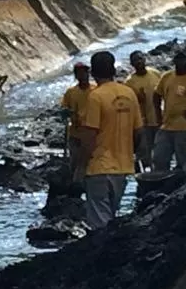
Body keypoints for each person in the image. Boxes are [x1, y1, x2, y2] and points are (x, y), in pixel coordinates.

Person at [73, 51, 142, 229]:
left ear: (93, 73)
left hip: (99, 168)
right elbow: (139, 132)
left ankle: (101, 255)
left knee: (100, 225)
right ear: (113, 70)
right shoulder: (129, 93)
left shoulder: (95, 96)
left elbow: (89, 136)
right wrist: (130, 153)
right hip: (122, 168)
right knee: (111, 218)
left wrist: (80, 167)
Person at [122, 51, 161, 172]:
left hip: (159, 117)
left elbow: (162, 93)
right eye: (135, 60)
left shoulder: (155, 74)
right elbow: (128, 105)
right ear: (131, 64)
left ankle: (160, 172)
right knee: (145, 151)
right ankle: (146, 174)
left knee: (161, 149)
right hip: (142, 122)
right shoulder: (129, 82)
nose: (138, 62)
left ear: (145, 59)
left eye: (140, 59)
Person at [60, 61, 93, 179]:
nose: (82, 75)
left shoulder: (96, 90)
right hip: (75, 133)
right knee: (75, 161)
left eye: (84, 72)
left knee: (91, 162)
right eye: (79, 73)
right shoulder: (71, 92)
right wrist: (66, 112)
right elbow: (63, 108)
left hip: (91, 132)